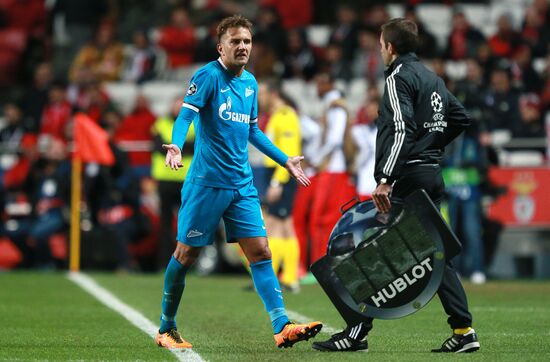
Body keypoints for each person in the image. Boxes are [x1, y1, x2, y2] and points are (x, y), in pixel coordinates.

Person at [312, 18, 480, 353]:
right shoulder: (432, 77)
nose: (380, 48)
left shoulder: (397, 77)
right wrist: (431, 145)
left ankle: (356, 331)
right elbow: (461, 117)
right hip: (430, 173)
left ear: (389, 47)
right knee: (434, 253)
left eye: (380, 44)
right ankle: (463, 331)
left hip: (406, 178)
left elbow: (401, 131)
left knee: (374, 252)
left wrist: (386, 178)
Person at [156, 15, 322, 349]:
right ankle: (166, 327)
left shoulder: (251, 84)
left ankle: (281, 326)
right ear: (221, 46)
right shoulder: (207, 76)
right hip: (206, 183)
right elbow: (186, 115)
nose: (243, 46)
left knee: (260, 251)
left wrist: (285, 159)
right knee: (186, 254)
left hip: (241, 184)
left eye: (247, 41)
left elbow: (252, 130)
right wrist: (176, 142)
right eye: (236, 41)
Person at [258, 80, 301, 292]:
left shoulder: (285, 115)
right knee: (282, 226)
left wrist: (277, 182)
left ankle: (276, 278)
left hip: (282, 176)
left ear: (274, 94)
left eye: (262, 93)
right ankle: (286, 278)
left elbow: (290, 151)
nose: (259, 98)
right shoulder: (277, 115)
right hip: (278, 174)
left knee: (277, 224)